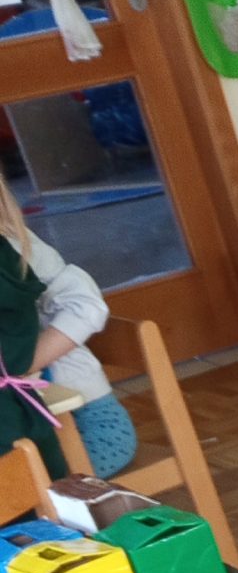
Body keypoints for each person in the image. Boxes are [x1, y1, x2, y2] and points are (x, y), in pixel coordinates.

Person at [0, 182, 137, 480]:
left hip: (89, 427)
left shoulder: (14, 248)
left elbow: (86, 305)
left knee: (17, 489)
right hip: (23, 438)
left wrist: (23, 364)